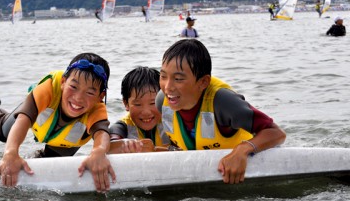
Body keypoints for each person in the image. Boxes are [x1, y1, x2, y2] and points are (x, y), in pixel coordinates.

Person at [0, 53, 116, 192]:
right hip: (33, 117)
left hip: (64, 142)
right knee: (4, 132)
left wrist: (99, 152)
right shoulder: (49, 88)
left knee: (51, 163)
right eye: (73, 86)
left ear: (100, 96)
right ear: (63, 82)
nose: (78, 98)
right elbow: (23, 119)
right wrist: (11, 153)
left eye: (90, 92)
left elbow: (102, 134)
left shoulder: (97, 109)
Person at [156, 39, 286, 184]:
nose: (168, 87)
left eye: (178, 79)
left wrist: (242, 150)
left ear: (203, 82)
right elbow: (179, 145)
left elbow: (277, 133)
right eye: (163, 76)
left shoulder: (223, 103)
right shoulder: (162, 102)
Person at [109, 67, 171, 153]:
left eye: (153, 103)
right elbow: (109, 146)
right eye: (138, 104)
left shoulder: (172, 122)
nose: (146, 112)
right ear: (126, 104)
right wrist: (124, 144)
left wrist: (154, 150)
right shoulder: (121, 127)